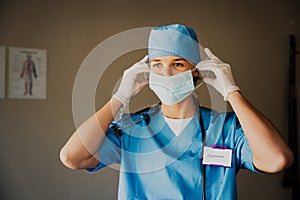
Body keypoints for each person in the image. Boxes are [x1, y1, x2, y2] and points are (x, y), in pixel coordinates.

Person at [60, 24, 294, 199]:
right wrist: (119, 98)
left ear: (196, 71)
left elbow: (278, 159)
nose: (166, 73)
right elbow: (72, 157)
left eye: (178, 64)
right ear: (148, 71)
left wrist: (232, 92)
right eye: (157, 65)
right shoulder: (132, 129)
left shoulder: (224, 129)